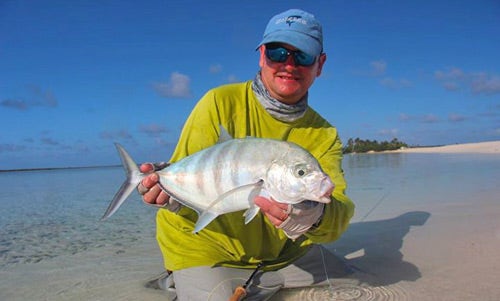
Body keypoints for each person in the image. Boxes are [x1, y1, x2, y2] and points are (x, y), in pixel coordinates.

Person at [138, 8, 355, 300]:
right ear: (262, 55)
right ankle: (178, 278)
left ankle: (262, 281)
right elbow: (193, 182)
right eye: (279, 52)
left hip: (282, 252)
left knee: (356, 286)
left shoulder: (324, 134)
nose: (289, 65)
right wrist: (170, 195)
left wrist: (314, 215)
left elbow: (337, 216)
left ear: (320, 64)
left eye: (302, 56)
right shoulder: (218, 103)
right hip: (205, 245)